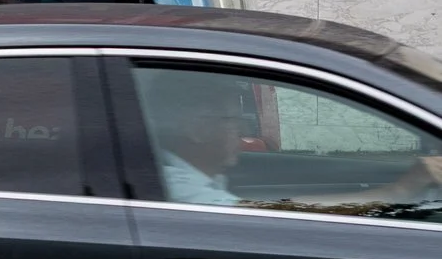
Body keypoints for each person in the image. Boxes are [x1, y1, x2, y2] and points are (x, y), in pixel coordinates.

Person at [141, 68, 442, 211]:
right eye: (231, 120)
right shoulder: (180, 190)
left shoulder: (196, 177)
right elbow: (274, 216)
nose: (241, 131)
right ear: (197, 129)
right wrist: (400, 190)